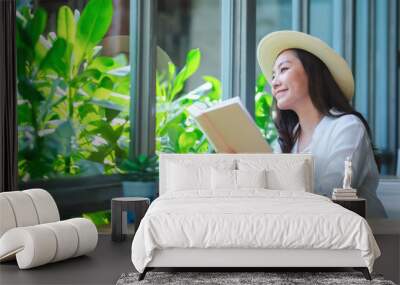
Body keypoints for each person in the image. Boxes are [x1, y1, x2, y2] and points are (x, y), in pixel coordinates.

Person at [257, 30, 387, 218]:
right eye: (273, 75)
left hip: (360, 239)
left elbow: (332, 195)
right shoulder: (287, 140)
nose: (274, 82)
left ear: (312, 73)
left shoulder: (347, 127)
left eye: (284, 69)